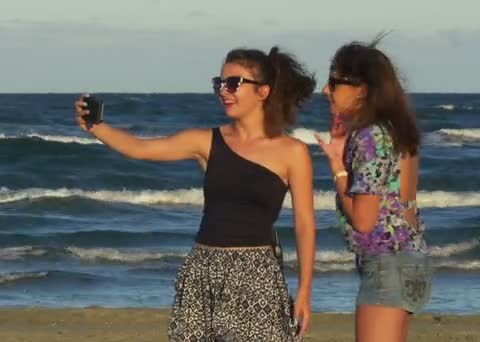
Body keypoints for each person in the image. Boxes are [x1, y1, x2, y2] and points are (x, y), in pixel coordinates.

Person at [75, 46, 317, 341]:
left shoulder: (292, 152)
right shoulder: (205, 141)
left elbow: (304, 222)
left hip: (257, 276)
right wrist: (95, 127)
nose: (223, 91)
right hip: (202, 271)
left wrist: (304, 289)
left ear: (263, 92)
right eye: (220, 84)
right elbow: (141, 148)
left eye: (233, 83)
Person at [315, 37, 432, 342]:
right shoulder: (397, 130)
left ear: (362, 89)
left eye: (334, 81)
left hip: (385, 264)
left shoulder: (368, 137)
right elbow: (403, 203)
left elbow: (364, 221)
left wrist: (339, 170)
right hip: (413, 260)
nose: (325, 90)